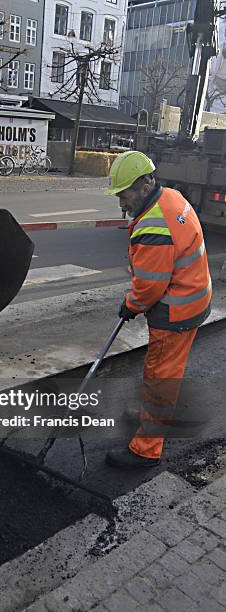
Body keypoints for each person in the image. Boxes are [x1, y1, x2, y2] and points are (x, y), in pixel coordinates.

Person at [104, 151, 212, 468]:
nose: (122, 205)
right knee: (163, 376)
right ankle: (150, 416)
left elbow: (150, 287)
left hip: (175, 312)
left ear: (143, 184)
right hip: (195, 297)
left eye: (124, 195)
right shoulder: (171, 197)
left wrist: (131, 305)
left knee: (159, 377)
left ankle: (146, 449)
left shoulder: (153, 227)